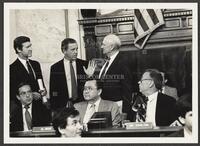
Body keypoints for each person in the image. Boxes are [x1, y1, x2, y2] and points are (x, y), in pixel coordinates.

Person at [92, 34, 134, 119]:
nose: (101, 47)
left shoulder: (123, 62)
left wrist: (125, 112)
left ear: (111, 47)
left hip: (117, 107)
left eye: (103, 44)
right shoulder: (106, 62)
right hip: (105, 106)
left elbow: (127, 88)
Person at [50, 38, 91, 111]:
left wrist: (89, 76)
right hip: (63, 106)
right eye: (72, 49)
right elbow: (53, 91)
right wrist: (55, 109)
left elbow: (91, 86)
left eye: (77, 49)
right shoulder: (55, 68)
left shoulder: (84, 64)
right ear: (64, 51)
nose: (76, 52)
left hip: (83, 103)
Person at [10, 36, 48, 105]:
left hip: (39, 106)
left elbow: (41, 84)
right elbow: (12, 93)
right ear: (18, 49)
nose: (31, 49)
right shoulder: (12, 68)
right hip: (24, 108)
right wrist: (31, 95)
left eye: (30, 46)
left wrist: (44, 91)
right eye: (27, 47)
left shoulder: (36, 64)